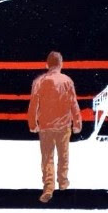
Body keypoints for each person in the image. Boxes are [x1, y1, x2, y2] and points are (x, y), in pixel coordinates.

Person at [27, 51, 82, 203]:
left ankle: (48, 187)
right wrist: (77, 122)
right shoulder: (67, 81)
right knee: (63, 155)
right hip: (64, 126)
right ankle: (63, 182)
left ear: (47, 65)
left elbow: (33, 105)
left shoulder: (39, 81)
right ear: (61, 64)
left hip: (46, 126)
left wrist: (33, 124)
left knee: (47, 158)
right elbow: (73, 103)